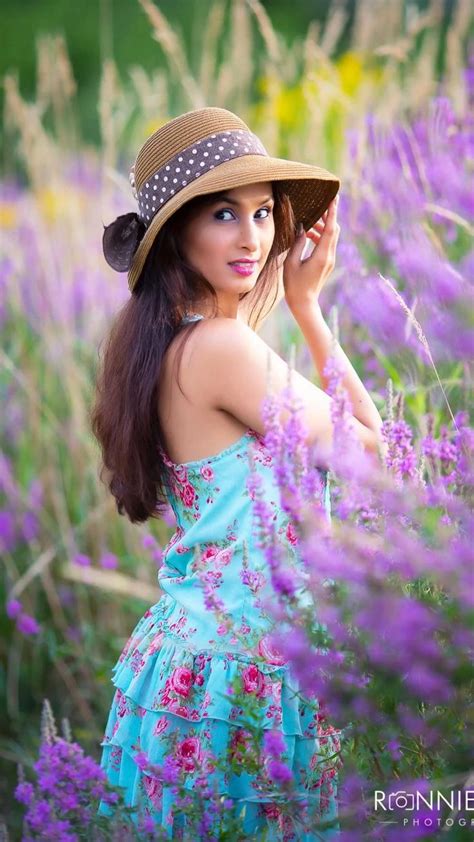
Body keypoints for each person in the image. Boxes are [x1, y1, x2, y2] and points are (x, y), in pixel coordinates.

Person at [92, 107, 383, 840]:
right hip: (246, 669)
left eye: (261, 213)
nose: (253, 237)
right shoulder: (221, 346)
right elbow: (374, 453)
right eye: (224, 213)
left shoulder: (164, 347)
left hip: (196, 661)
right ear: (176, 233)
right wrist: (309, 309)